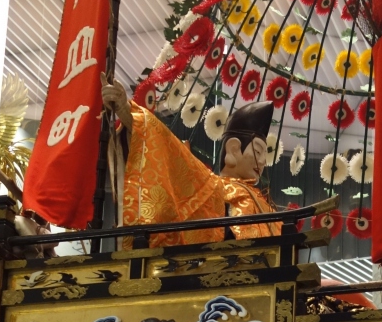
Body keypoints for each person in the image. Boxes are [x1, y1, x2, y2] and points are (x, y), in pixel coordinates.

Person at [100, 75, 281, 246]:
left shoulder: (265, 204)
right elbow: (167, 149)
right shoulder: (213, 188)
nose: (262, 161)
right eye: (258, 151)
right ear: (234, 149)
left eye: (264, 154)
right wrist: (125, 110)